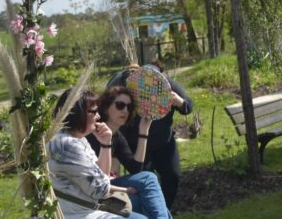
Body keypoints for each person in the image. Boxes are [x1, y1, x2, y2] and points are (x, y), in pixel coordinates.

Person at [48, 88, 150, 219]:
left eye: (129, 107)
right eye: (94, 111)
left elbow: (102, 176)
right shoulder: (68, 146)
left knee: (147, 185)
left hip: (87, 207)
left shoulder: (77, 139)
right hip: (80, 213)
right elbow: (101, 190)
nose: (98, 116)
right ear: (79, 113)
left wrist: (106, 143)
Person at [119, 61, 193, 210]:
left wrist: (178, 101)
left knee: (172, 177)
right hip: (139, 144)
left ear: (160, 75)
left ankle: (164, 210)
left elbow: (188, 107)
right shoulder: (130, 87)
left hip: (165, 143)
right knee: (144, 182)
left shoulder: (168, 84)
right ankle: (150, 212)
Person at [90, 87, 171, 219]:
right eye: (120, 105)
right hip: (94, 191)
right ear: (105, 108)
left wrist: (143, 130)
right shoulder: (93, 133)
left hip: (107, 185)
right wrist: (125, 190)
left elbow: (135, 168)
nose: (125, 111)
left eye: (129, 107)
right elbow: (92, 180)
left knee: (149, 187)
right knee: (149, 182)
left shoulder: (118, 136)